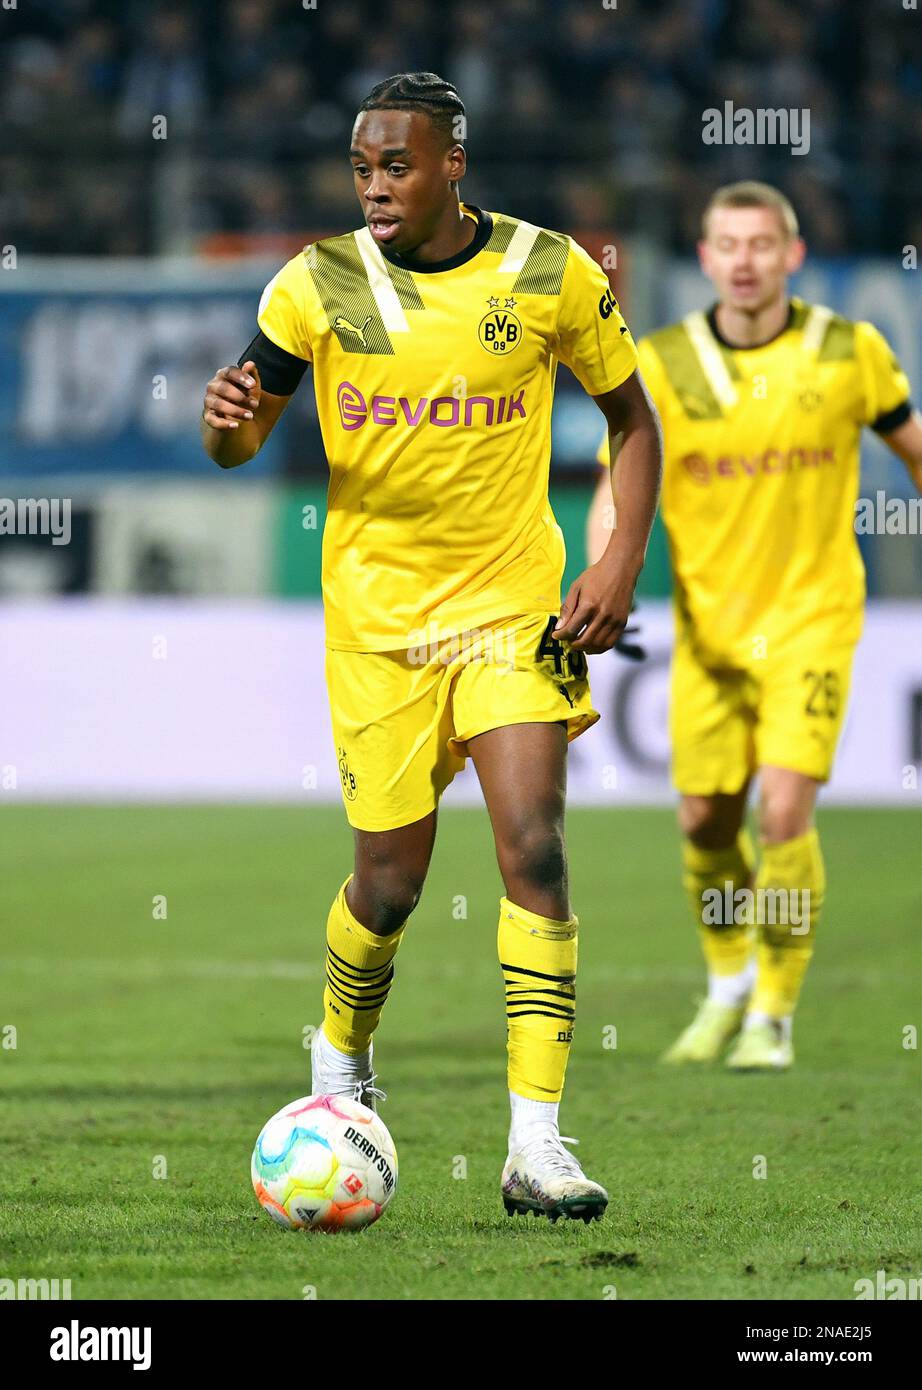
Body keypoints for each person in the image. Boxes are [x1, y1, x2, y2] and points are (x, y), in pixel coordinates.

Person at [202, 72, 662, 1220]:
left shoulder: (551, 273)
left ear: (451, 163)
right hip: (377, 628)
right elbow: (244, 433)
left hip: (513, 609)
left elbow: (631, 421)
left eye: (394, 167)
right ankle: (341, 1060)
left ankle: (537, 1146)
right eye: (361, 169)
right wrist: (227, 428)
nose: (374, 189)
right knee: (388, 883)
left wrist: (614, 563)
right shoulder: (314, 284)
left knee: (534, 847)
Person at [588, 181, 922, 1070]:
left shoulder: (849, 351)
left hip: (812, 620)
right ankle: (727, 982)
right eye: (727, 245)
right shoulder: (661, 364)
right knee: (703, 821)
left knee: (781, 814)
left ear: (792, 255)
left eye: (761, 245)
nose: (744, 261)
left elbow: (913, 447)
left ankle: (773, 1011)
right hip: (708, 634)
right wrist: (603, 577)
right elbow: (616, 492)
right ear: (705, 259)